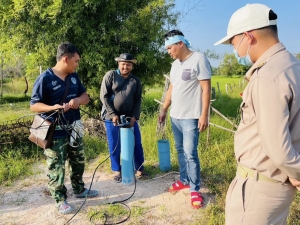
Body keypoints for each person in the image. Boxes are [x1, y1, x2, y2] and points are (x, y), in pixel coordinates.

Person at [214, 4, 300, 225]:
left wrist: (296, 170)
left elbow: (278, 149)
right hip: (278, 184)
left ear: (248, 37)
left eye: (234, 43)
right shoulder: (292, 66)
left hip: (259, 188)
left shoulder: (267, 76)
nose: (235, 51)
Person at [30, 42, 98, 214]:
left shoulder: (74, 77)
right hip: (55, 130)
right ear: (66, 59)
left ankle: (80, 190)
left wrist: (77, 101)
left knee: (78, 161)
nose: (77, 64)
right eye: (76, 61)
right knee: (56, 166)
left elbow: (85, 97)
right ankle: (60, 200)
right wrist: (54, 107)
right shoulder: (45, 78)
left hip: (75, 126)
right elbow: (34, 105)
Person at [158, 30, 211, 209]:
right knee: (180, 150)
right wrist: (164, 109)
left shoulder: (199, 59)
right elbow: (172, 89)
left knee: (190, 153)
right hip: (176, 116)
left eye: (170, 47)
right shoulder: (175, 65)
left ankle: (195, 189)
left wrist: (204, 114)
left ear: (180, 43)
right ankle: (184, 180)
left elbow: (206, 88)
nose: (168, 52)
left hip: (191, 117)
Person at [100, 53, 147, 182]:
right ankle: (117, 170)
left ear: (132, 66)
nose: (126, 66)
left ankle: (140, 168)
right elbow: (103, 96)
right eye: (123, 64)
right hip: (112, 117)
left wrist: (134, 117)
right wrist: (113, 115)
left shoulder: (135, 80)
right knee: (114, 143)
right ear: (118, 64)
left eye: (128, 64)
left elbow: (138, 100)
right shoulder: (110, 75)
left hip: (129, 117)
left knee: (137, 142)